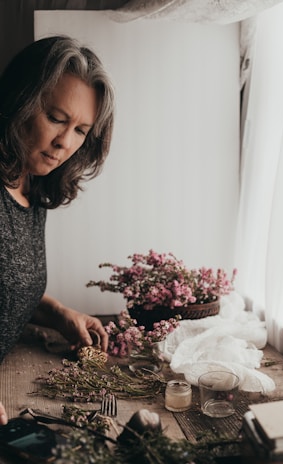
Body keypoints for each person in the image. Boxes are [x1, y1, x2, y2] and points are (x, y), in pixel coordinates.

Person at [0, 35, 115, 424]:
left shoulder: (31, 185)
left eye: (81, 130)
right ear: (19, 102)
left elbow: (7, 286)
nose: (65, 142)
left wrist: (59, 314)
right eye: (55, 118)